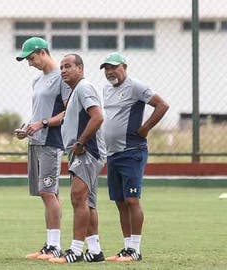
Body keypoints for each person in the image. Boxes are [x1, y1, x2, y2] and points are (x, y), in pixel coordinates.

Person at [100, 52, 169, 262]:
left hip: (132, 151)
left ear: (124, 67)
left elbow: (162, 105)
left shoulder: (136, 86)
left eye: (114, 67)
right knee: (120, 202)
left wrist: (145, 128)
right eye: (106, 69)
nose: (110, 72)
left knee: (132, 199)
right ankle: (127, 248)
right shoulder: (106, 90)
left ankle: (136, 250)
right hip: (112, 154)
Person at [14, 37, 71, 260]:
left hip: (52, 142)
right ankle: (50, 244)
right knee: (47, 193)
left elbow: (68, 112)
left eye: (31, 58)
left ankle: (55, 246)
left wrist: (43, 123)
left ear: (42, 52)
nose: (30, 63)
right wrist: (27, 128)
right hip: (36, 141)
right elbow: (38, 113)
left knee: (48, 192)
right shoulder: (37, 81)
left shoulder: (61, 78)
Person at [49, 54, 106, 264]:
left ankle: (75, 250)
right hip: (79, 151)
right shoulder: (75, 91)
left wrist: (81, 142)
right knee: (87, 202)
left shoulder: (84, 87)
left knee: (77, 198)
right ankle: (95, 250)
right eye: (62, 67)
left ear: (80, 69)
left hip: (87, 150)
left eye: (68, 66)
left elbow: (98, 117)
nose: (63, 70)